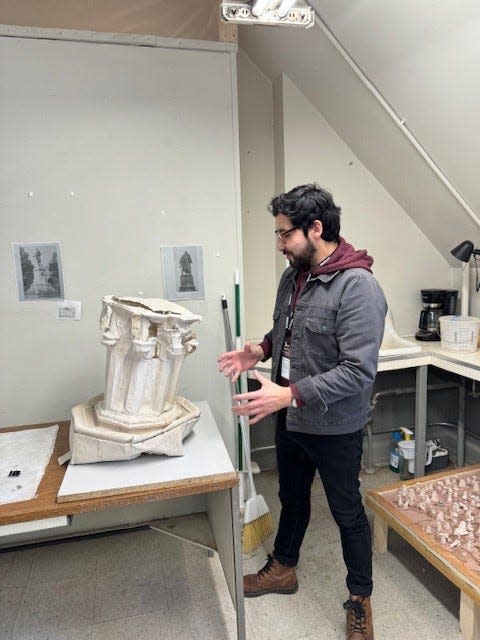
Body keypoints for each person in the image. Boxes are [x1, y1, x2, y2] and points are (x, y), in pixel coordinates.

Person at [218, 184, 387, 640]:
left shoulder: (358, 288)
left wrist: (288, 395)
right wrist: (261, 349)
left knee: (347, 512)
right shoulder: (293, 276)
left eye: (284, 234)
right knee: (292, 499)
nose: (279, 245)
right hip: (292, 416)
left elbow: (358, 372)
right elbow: (288, 333)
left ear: (316, 229)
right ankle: (283, 569)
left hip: (334, 425)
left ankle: (360, 602)